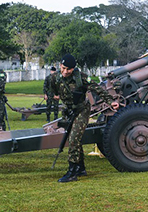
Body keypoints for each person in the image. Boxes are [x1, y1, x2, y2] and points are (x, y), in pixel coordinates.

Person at [50, 54, 119, 183]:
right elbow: (53, 91)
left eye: (68, 69)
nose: (65, 72)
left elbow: (98, 89)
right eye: (63, 68)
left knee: (73, 139)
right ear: (60, 66)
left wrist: (110, 102)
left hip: (82, 110)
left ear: (73, 68)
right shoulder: (55, 78)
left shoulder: (81, 78)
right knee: (74, 139)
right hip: (68, 111)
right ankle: (80, 168)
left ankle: (72, 172)